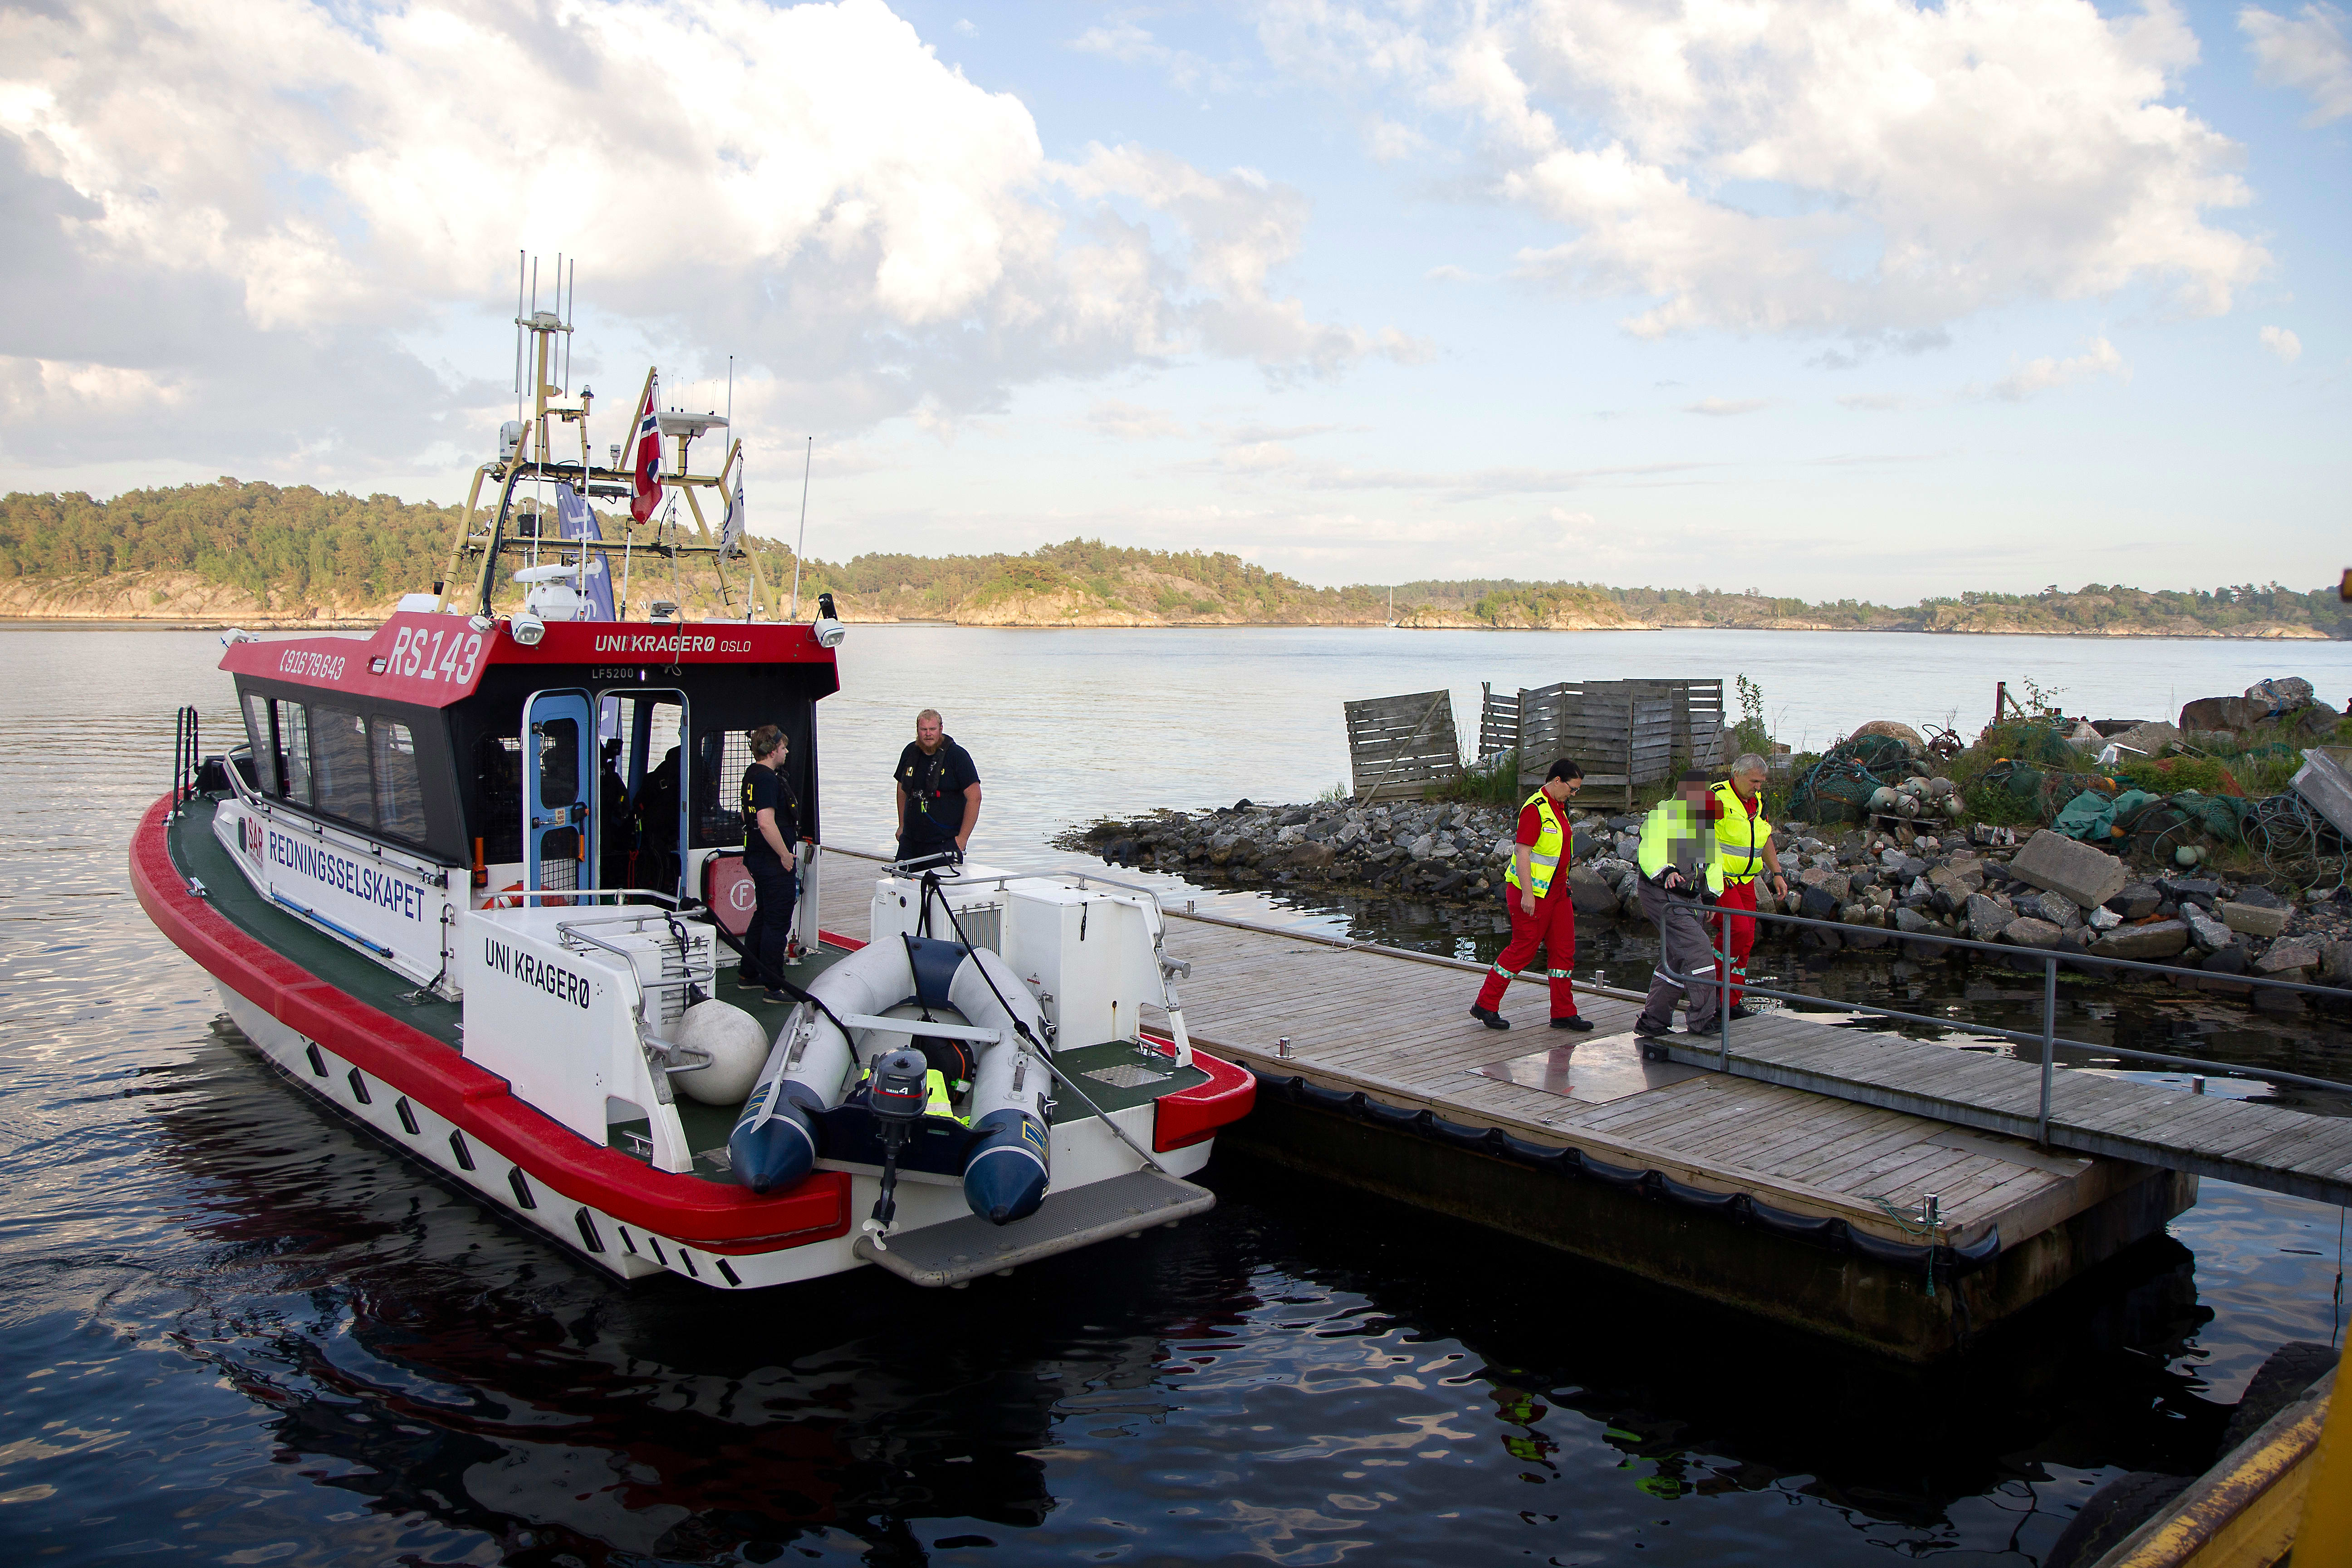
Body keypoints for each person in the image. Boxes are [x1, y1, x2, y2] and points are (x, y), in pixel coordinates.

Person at [1470, 759, 1592, 1032]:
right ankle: (1485, 1004)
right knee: (1523, 949)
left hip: (1558, 892)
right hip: (1533, 894)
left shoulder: (1559, 807)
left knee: (1564, 951)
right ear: (1557, 781)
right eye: (1572, 788)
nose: (1574, 794)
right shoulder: (1535, 809)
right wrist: (1528, 894)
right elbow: (1522, 852)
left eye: (1577, 790)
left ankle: (1563, 1012)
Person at [1634, 770, 1726, 1044]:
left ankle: (1654, 1021)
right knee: (1699, 950)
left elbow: (1713, 862)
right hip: (1662, 895)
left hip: (1691, 899)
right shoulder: (1663, 816)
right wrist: (1666, 872)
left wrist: (1711, 897)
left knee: (1675, 958)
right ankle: (1703, 1019)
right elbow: (1650, 851)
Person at [1711, 753, 1790, 1020]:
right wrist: (1703, 880)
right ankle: (1714, 995)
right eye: (1754, 781)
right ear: (1737, 775)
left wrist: (1777, 873)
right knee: (1737, 930)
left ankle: (1731, 1001)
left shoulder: (1758, 802)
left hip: (1746, 880)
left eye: (1761, 782)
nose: (1758, 787)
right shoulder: (1716, 797)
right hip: (1720, 878)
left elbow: (1765, 838)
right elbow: (1694, 837)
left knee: (1746, 940)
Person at [739, 724, 804, 1003]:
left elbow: (747, 816)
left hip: (757, 858)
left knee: (763, 915)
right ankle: (774, 986)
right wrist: (785, 855)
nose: (787, 752)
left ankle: (749, 973)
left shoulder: (752, 775)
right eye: (783, 747)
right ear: (772, 751)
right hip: (773, 862)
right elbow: (765, 823)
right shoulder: (767, 780)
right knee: (777, 922)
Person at [894, 709, 981, 866]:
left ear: (941, 729)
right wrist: (902, 825)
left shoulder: (958, 756)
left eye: (932, 729)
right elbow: (902, 789)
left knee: (939, 883)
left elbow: (975, 798)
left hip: (944, 842)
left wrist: (962, 839)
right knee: (899, 879)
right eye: (924, 730)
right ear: (917, 730)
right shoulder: (909, 752)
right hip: (910, 840)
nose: (928, 734)